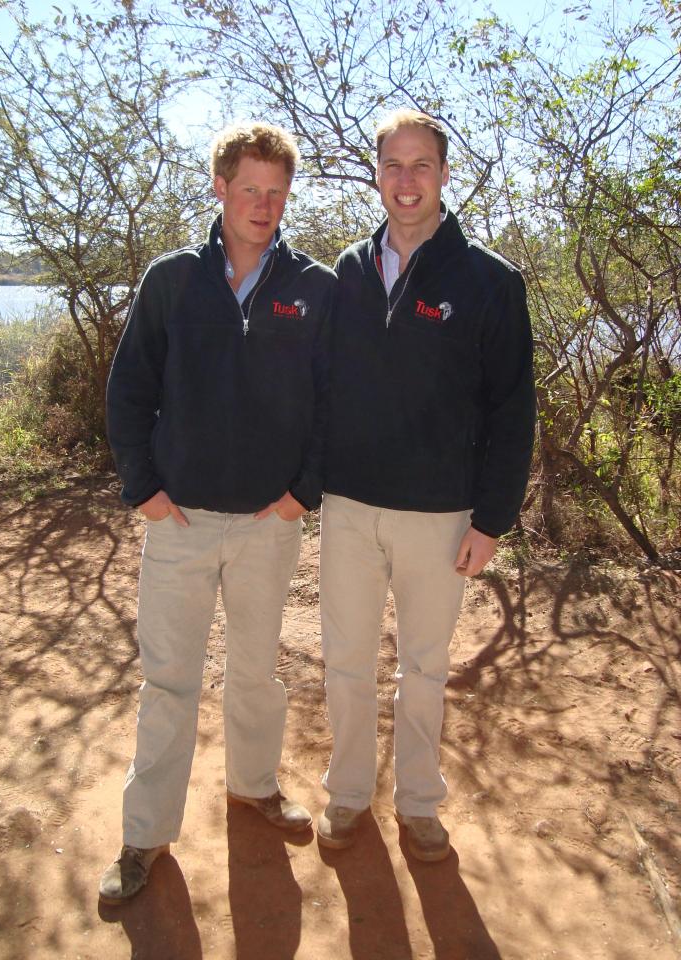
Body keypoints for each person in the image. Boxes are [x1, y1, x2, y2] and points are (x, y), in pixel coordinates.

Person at [100, 122, 335, 903]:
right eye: (249, 190)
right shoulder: (172, 279)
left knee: (257, 673)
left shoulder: (315, 286)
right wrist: (144, 489)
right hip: (181, 522)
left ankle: (255, 787)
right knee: (168, 683)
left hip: (271, 523)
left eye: (275, 191)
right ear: (219, 189)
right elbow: (129, 388)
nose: (263, 206)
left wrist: (305, 491)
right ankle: (144, 836)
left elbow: (335, 404)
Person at [317, 109, 536, 861]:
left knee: (424, 667)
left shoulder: (489, 281)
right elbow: (318, 386)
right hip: (348, 507)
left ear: (444, 174)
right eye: (392, 166)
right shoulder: (346, 270)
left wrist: (492, 520)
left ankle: (417, 804)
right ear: (375, 173)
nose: (405, 182)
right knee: (344, 660)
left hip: (441, 513)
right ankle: (348, 795)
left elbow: (513, 408)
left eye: (421, 166)